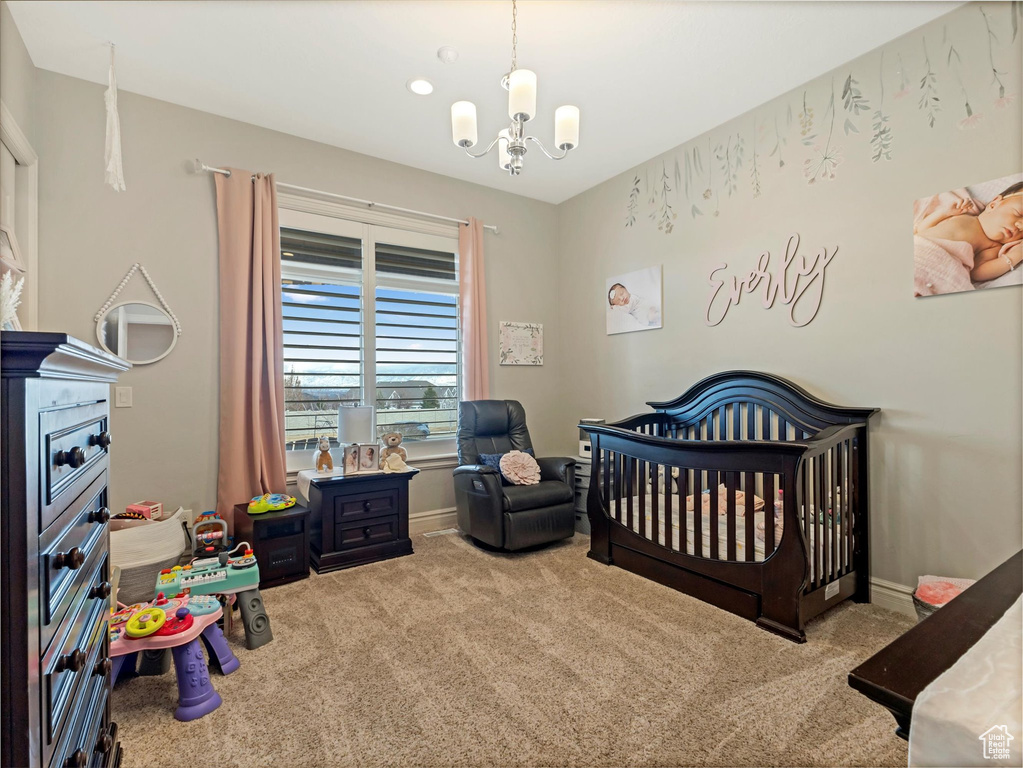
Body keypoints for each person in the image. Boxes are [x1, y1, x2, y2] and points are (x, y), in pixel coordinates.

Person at [915, 181, 1023, 283]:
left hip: (939, 268)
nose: (1021, 226)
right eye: (1019, 214)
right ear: (993, 204)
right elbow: (923, 229)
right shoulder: (960, 215)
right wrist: (945, 212)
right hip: (918, 249)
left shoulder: (992, 246)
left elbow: (979, 272)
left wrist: (1016, 255)